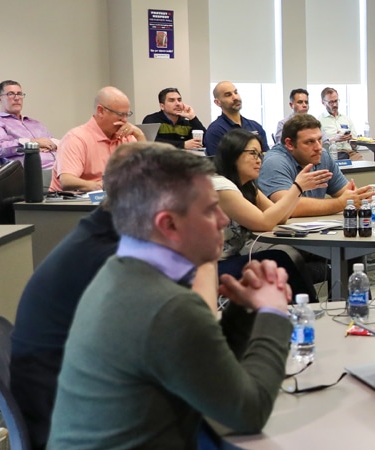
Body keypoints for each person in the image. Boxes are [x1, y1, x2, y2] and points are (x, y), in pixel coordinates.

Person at [48, 145, 294, 449]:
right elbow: (248, 413)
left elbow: (205, 370)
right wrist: (274, 313)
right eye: (208, 210)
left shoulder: (120, 273)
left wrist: (243, 309)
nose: (222, 220)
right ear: (169, 224)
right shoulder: (168, 305)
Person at [213, 128, 326, 300]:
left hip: (232, 258)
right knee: (281, 257)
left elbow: (279, 216)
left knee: (292, 255)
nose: (259, 160)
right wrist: (298, 187)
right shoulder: (220, 186)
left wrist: (298, 190)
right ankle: (307, 311)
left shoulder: (247, 186)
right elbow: (265, 222)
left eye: (260, 154)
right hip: (210, 267)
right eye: (253, 154)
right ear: (232, 155)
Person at [257, 113, 375, 217]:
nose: (318, 147)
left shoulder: (322, 156)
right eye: (310, 142)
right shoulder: (275, 162)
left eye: (319, 140)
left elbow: (347, 194)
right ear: (289, 144)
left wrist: (358, 199)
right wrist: (340, 203)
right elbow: (288, 208)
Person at [53, 86, 147, 192]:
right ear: (101, 111)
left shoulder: (127, 137)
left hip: (116, 201)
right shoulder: (76, 138)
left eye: (127, 114)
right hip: (76, 205)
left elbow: (147, 175)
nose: (125, 120)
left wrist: (140, 136)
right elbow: (67, 181)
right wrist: (101, 186)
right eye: (120, 115)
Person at [0, 80, 61, 169]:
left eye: (19, 94)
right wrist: (33, 143)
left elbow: (52, 143)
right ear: (0, 99)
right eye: (10, 94)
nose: (17, 98)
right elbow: (0, 149)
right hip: (33, 174)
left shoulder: (35, 123)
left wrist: (51, 145)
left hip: (61, 169)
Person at [204, 81, 270, 157]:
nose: (235, 97)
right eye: (228, 95)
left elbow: (266, 156)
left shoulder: (255, 126)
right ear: (218, 102)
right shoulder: (215, 131)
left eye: (236, 92)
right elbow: (219, 164)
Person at [141, 87, 206, 150]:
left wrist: (192, 118)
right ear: (162, 106)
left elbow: (206, 140)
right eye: (172, 100)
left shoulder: (187, 123)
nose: (177, 103)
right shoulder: (151, 120)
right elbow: (151, 142)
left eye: (179, 100)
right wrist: (182, 145)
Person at [316, 87, 364, 160]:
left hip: (350, 153)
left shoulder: (346, 119)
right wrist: (334, 139)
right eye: (331, 102)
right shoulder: (319, 121)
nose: (335, 105)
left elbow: (356, 146)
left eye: (336, 101)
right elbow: (317, 145)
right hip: (332, 154)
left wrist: (351, 140)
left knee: (365, 166)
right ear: (323, 102)